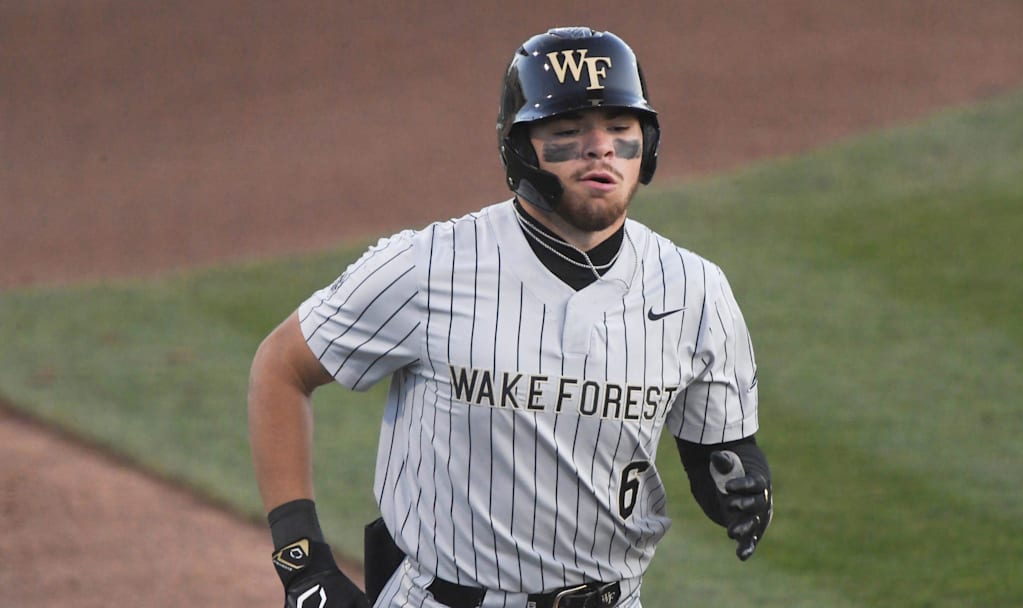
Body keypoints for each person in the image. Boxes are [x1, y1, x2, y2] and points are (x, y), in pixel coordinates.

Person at [248, 26, 773, 608]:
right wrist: (301, 563)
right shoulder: (428, 266)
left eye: (620, 129)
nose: (600, 148)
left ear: (646, 144)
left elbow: (719, 453)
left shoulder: (696, 289)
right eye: (568, 131)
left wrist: (741, 488)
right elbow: (282, 367)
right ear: (520, 148)